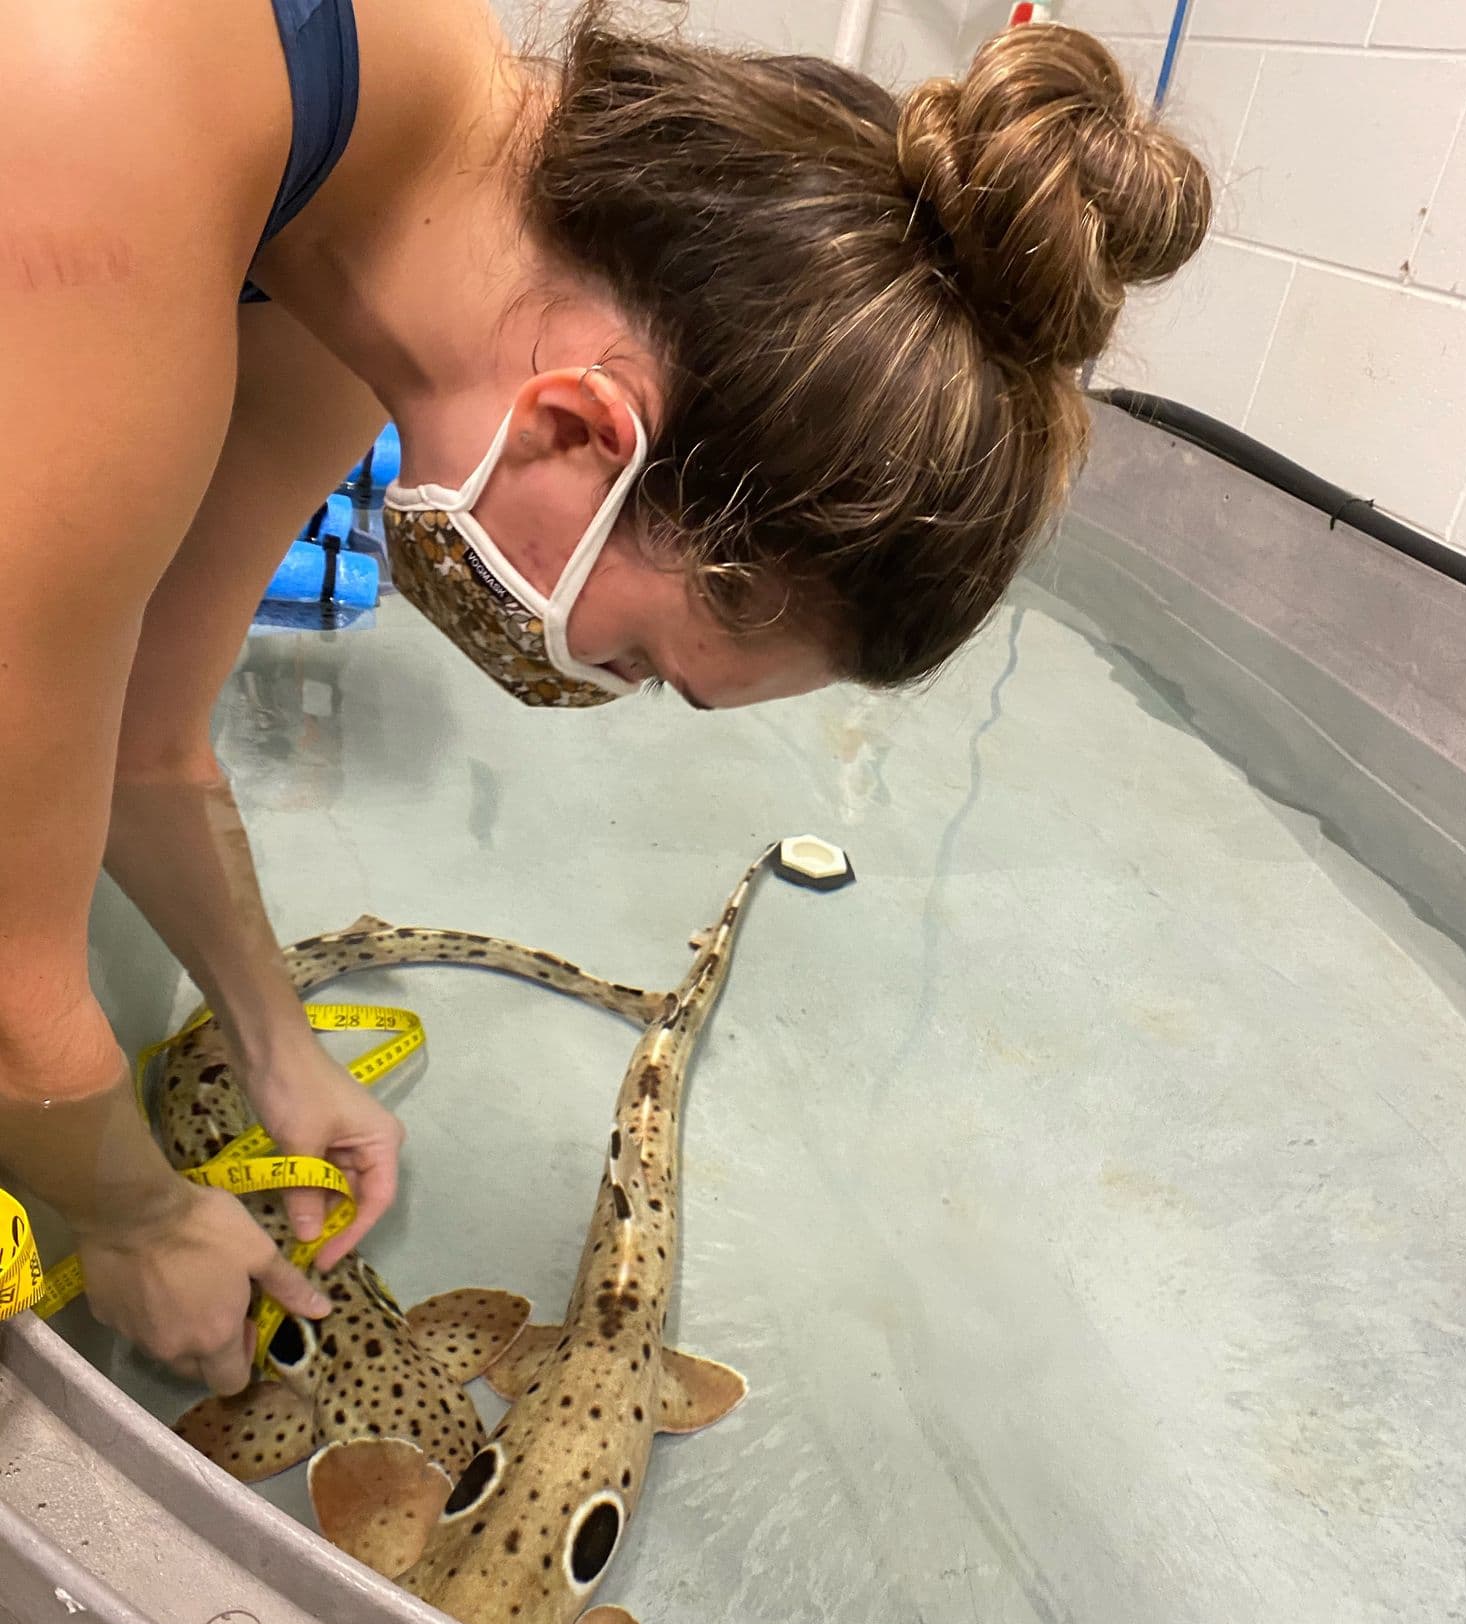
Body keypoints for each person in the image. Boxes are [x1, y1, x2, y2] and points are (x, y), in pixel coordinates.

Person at [0, 0, 1210, 1397]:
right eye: (633, 662)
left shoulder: (354, 228)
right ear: (580, 429)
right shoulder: (110, 115)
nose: (579, 689)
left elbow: (146, 736)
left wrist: (276, 1045)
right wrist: (137, 1219)